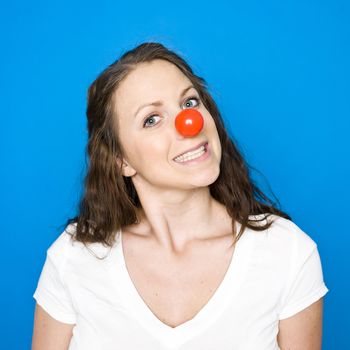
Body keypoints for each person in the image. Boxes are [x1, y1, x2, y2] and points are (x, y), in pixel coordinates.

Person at [32, 42, 329, 350]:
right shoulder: (74, 256)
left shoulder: (288, 252)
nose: (190, 124)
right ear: (121, 160)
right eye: (151, 119)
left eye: (189, 103)